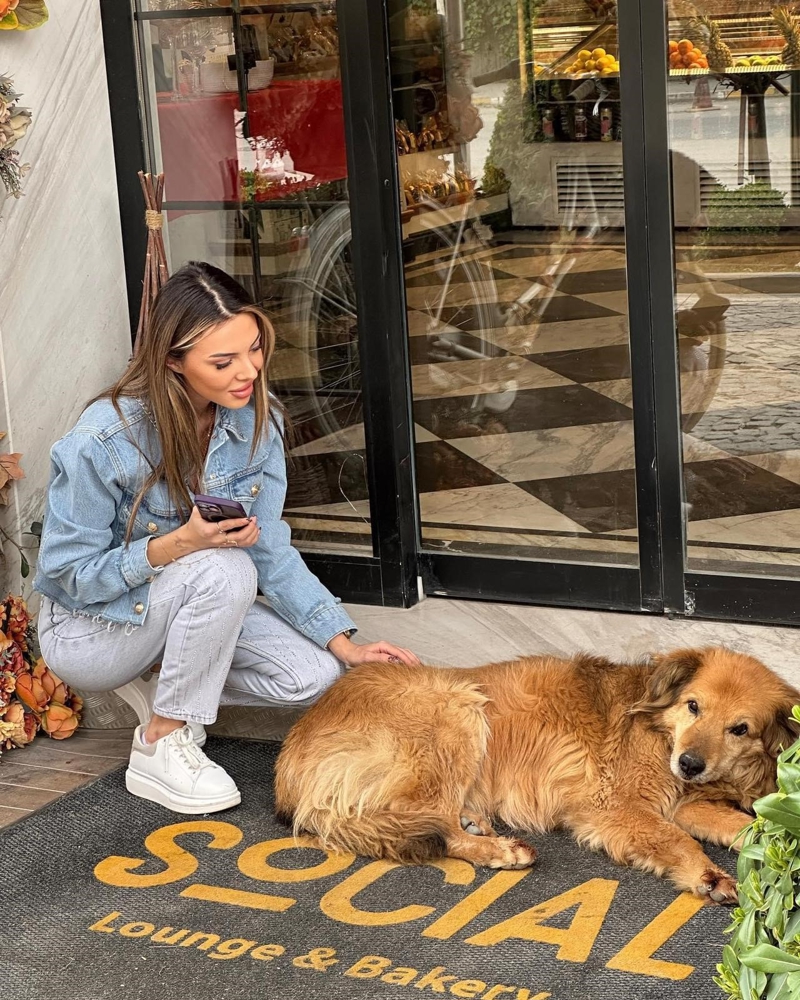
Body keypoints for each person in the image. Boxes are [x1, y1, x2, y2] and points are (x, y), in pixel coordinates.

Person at [34, 261, 419, 815]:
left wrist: (344, 642)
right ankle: (161, 742)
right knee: (226, 567)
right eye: (223, 362)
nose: (249, 372)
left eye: (255, 349)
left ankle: (172, 687)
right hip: (92, 629)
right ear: (173, 360)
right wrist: (182, 543)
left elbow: (269, 549)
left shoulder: (257, 421)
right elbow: (69, 575)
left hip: (183, 604)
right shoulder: (104, 440)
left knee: (312, 675)